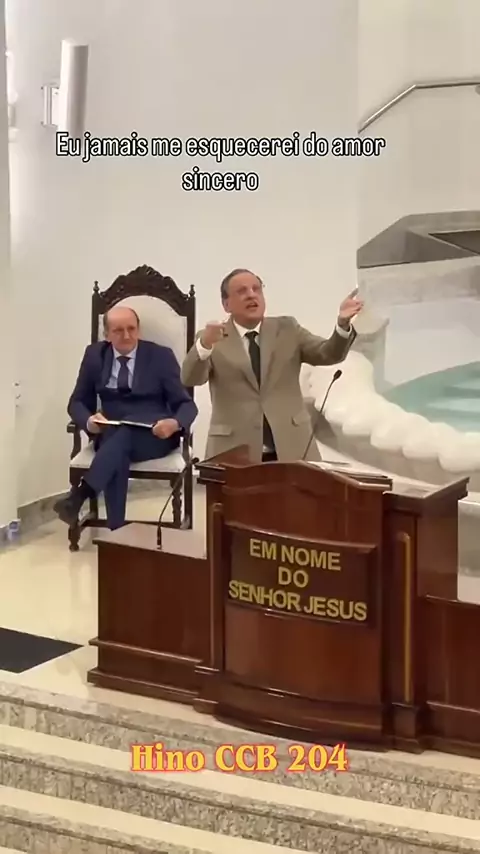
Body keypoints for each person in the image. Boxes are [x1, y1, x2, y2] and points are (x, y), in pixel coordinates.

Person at [181, 268, 363, 463]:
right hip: (233, 451)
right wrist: (205, 345)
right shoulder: (211, 337)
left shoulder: (288, 328)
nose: (251, 295)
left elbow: (328, 354)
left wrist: (342, 325)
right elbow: (190, 378)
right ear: (226, 305)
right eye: (241, 291)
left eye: (256, 289)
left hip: (292, 448)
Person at [55, 306, 197, 530]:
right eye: (118, 330)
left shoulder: (161, 356)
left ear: (139, 330)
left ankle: (81, 495)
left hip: (153, 434)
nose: (127, 335)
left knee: (120, 441)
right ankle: (117, 531)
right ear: (106, 334)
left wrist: (174, 423)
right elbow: (77, 402)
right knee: (118, 449)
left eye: (132, 329)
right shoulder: (95, 356)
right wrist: (89, 421)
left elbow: (187, 404)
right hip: (111, 431)